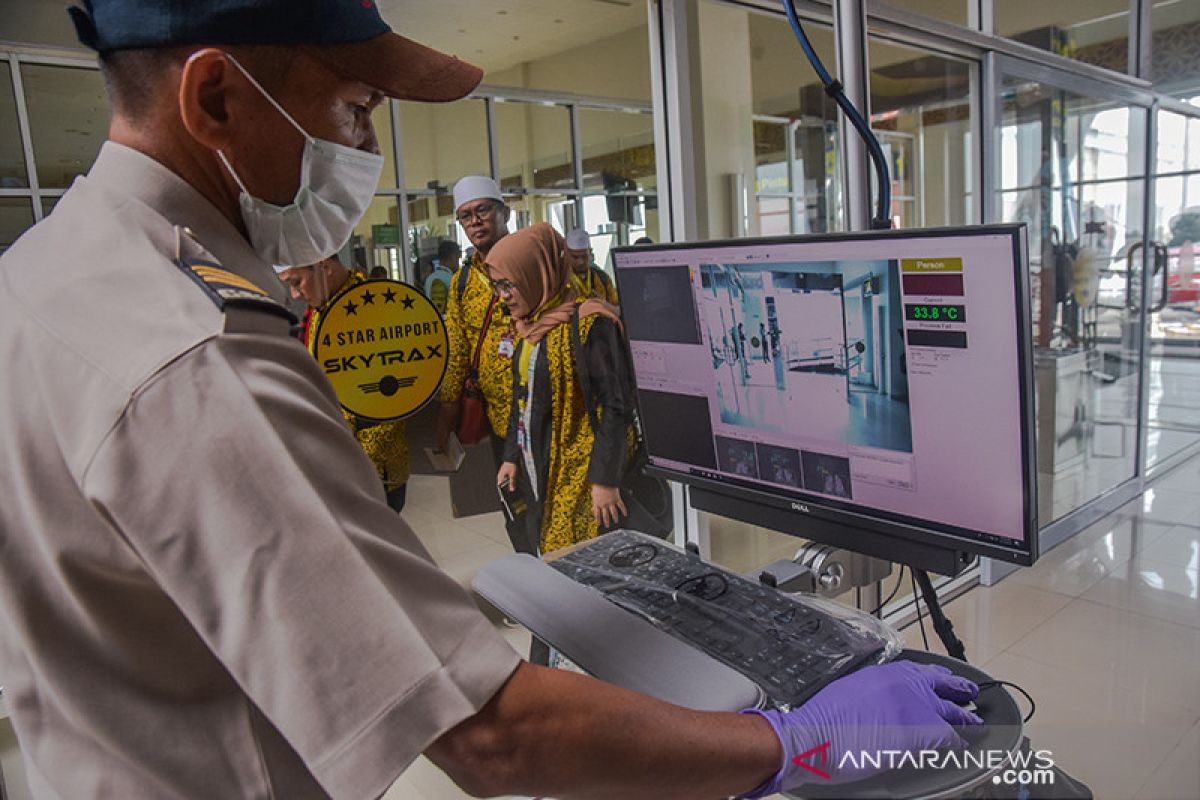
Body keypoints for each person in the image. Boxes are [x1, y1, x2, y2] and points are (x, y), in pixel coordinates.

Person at [0, 1, 983, 797]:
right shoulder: (199, 354)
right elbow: (493, 733)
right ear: (214, 93)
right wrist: (787, 742)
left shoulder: (41, 276)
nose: (364, 143)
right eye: (353, 108)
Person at [493, 224, 631, 554]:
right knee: (548, 551)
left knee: (586, 562)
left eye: (509, 284)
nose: (503, 296)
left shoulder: (589, 323)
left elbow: (617, 404)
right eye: (497, 286)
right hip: (537, 462)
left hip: (581, 472)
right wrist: (511, 455)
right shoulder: (528, 328)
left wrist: (605, 478)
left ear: (535, 274)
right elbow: (521, 398)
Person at [279, 256, 409, 511]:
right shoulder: (321, 309)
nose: (294, 294)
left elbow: (391, 401)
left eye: (297, 282)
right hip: (334, 458)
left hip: (370, 464)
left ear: (324, 266)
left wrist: (349, 462)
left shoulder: (370, 306)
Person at [435, 175, 515, 465]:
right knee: (513, 500)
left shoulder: (535, 262)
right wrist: (446, 416)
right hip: (497, 416)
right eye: (465, 216)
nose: (475, 221)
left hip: (548, 413)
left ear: (505, 213)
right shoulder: (462, 282)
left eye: (483, 210)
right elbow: (456, 353)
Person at [564, 227, 619, 304]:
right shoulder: (560, 281)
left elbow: (617, 308)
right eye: (575, 257)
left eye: (584, 256)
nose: (581, 262)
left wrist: (603, 304)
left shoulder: (603, 278)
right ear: (566, 255)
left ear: (590, 252)